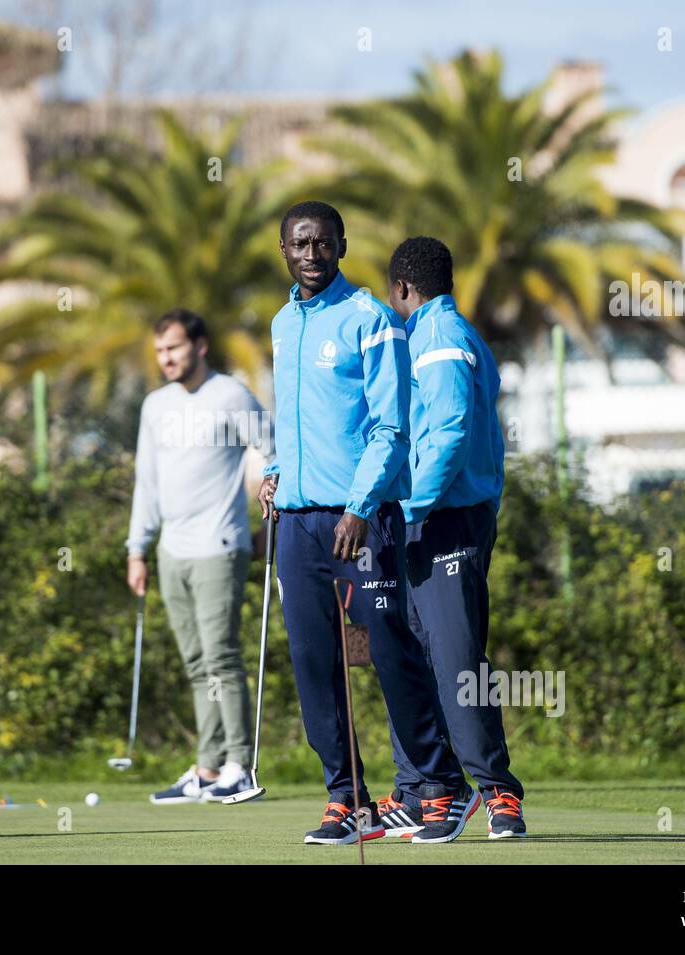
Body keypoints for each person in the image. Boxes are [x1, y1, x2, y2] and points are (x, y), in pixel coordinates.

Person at [258, 201, 454, 845]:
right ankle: (345, 800)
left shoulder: (370, 319)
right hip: (297, 524)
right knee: (316, 660)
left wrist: (360, 507)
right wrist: (277, 470)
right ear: (283, 250)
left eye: (321, 243)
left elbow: (390, 427)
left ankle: (437, 785)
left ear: (341, 246)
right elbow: (295, 420)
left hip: (363, 520)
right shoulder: (282, 325)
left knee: (391, 648)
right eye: (298, 244)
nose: (310, 254)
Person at [379, 235, 527, 840]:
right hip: (438, 515)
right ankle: (422, 790)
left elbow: (448, 434)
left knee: (455, 656)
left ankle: (495, 795)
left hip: (440, 518)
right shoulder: (446, 334)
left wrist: (408, 507)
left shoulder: (437, 339)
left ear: (403, 290)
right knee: (410, 653)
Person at [127, 309, 275, 804]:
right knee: (196, 663)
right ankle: (208, 769)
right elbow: (146, 483)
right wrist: (137, 549)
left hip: (220, 545)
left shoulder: (230, 394)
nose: (166, 358)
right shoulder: (154, 406)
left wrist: (269, 517)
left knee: (220, 657)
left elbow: (274, 449)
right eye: (160, 351)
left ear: (200, 345)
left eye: (173, 348)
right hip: (172, 551)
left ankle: (240, 765)